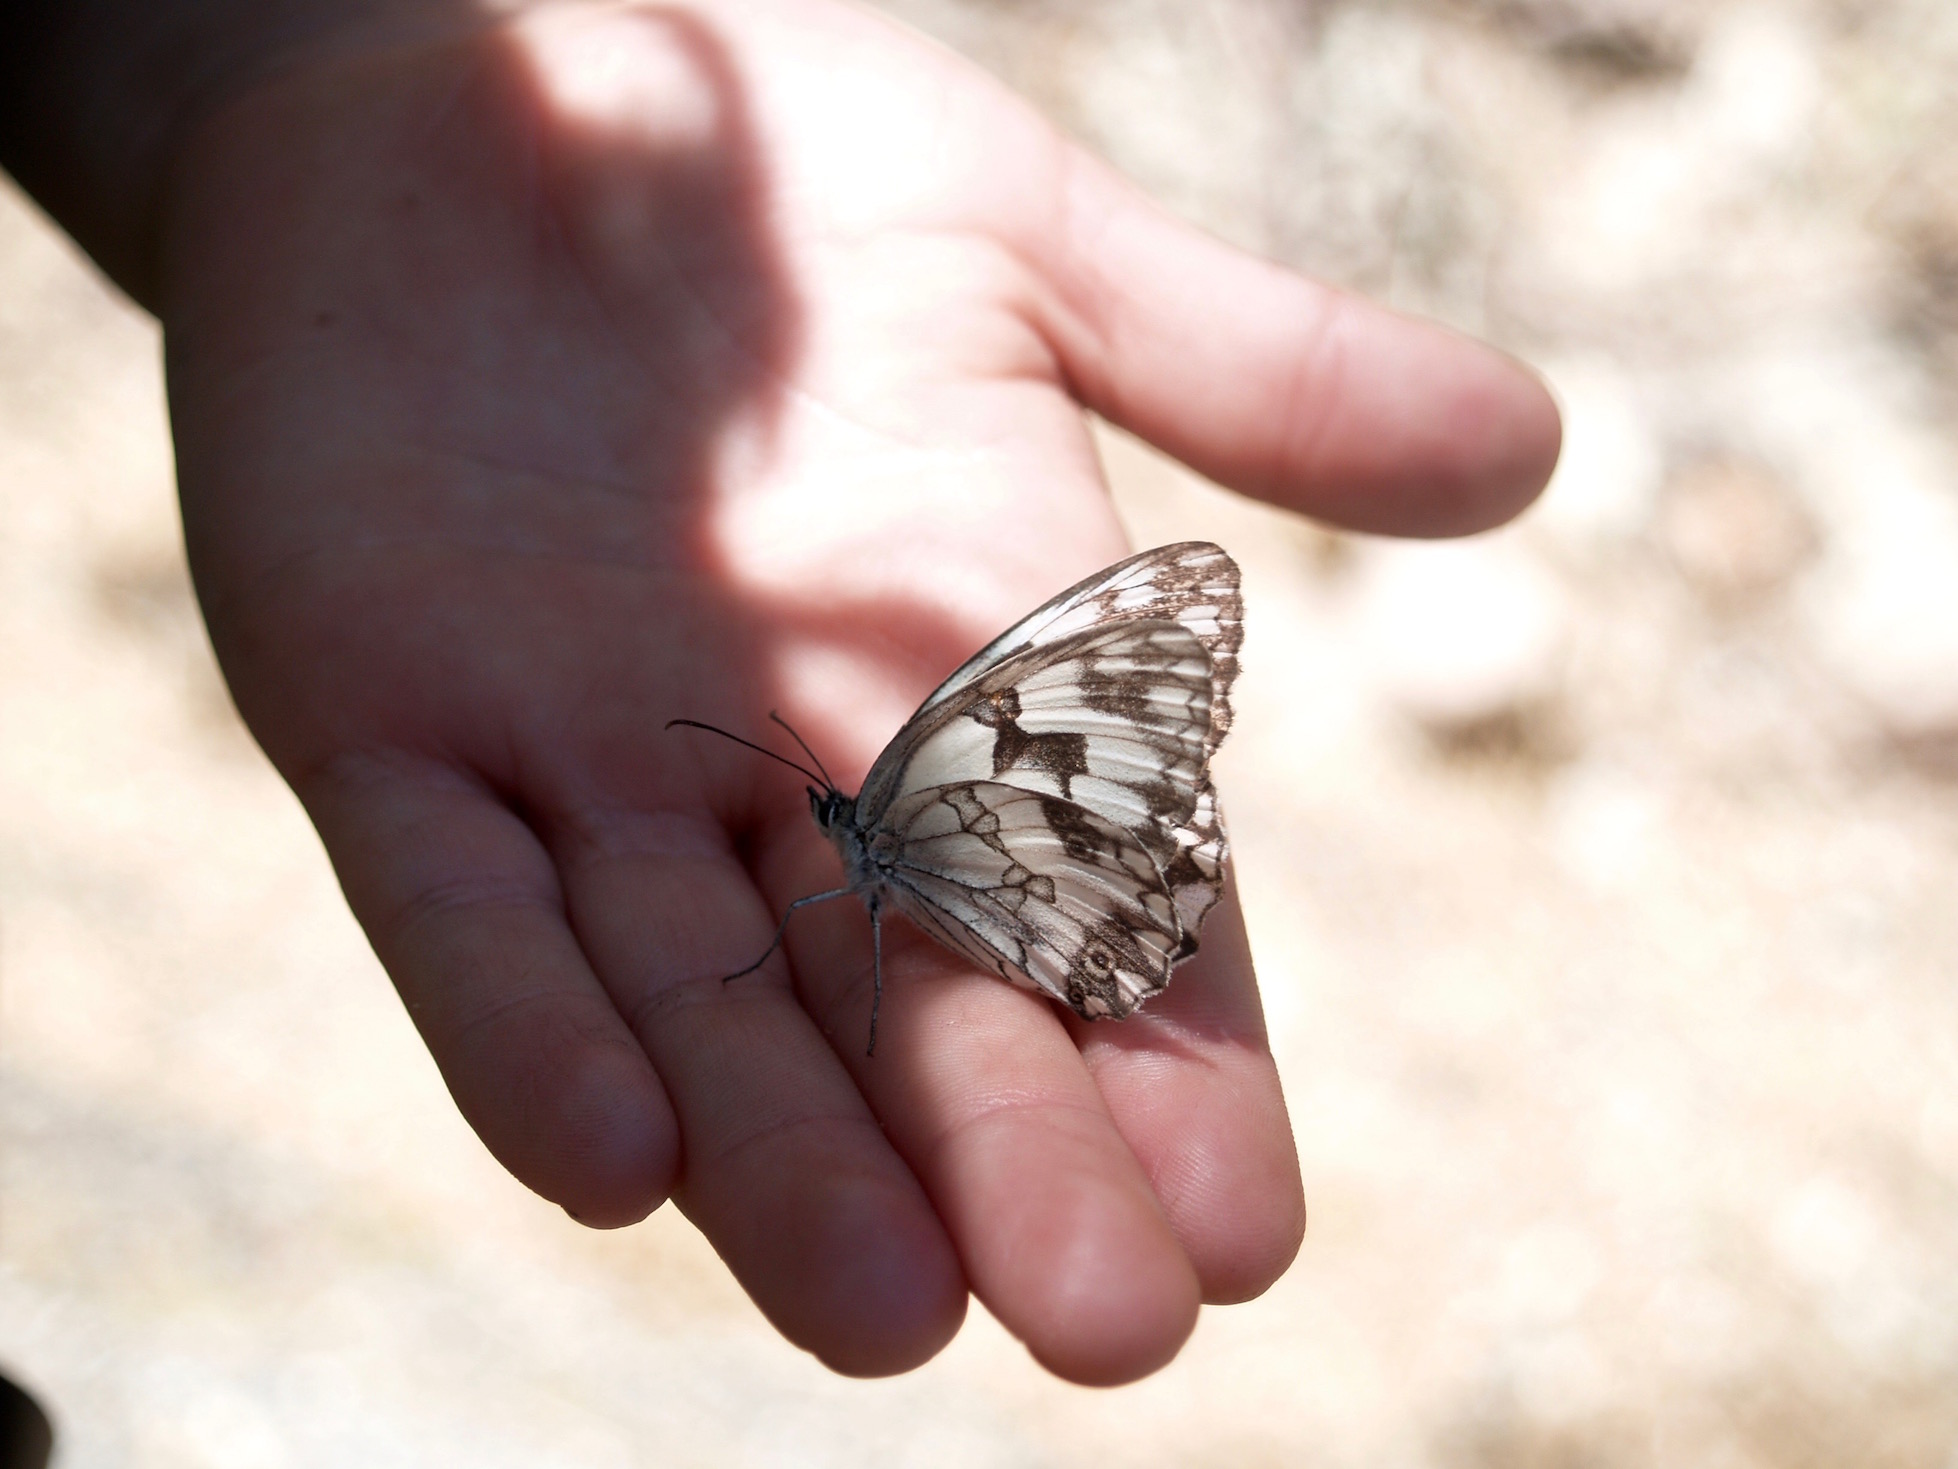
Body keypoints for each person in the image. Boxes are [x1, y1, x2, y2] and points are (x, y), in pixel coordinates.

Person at [0, 0, 1560, 1385]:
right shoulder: (869, 820)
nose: (826, 813)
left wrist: (246, 46)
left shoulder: (900, 796)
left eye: (830, 798)